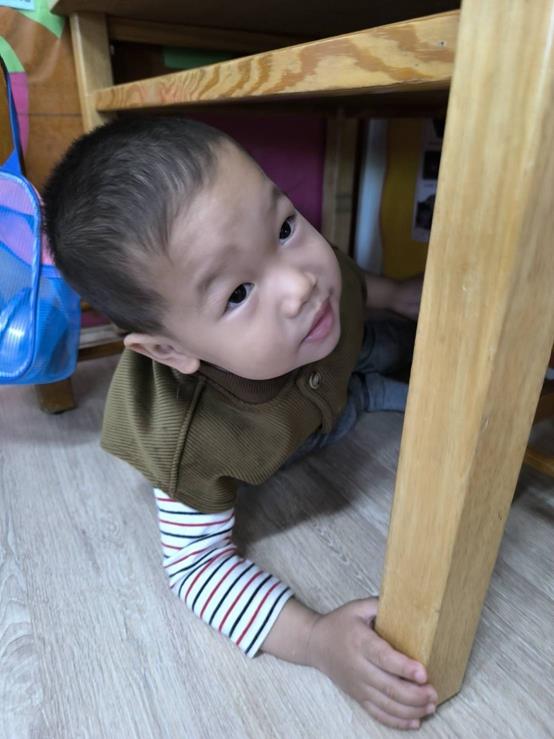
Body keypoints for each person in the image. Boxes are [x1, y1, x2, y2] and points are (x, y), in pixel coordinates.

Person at [42, 116, 437, 730]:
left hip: (337, 352)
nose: (300, 284)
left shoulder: (303, 275)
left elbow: (342, 273)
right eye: (236, 294)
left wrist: (392, 295)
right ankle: (376, 393)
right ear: (170, 350)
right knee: (366, 400)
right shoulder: (189, 441)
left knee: (391, 340)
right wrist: (315, 639)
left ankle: (382, 364)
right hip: (291, 427)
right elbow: (196, 568)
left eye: (285, 226)